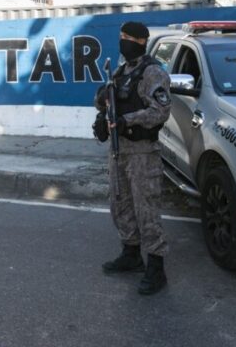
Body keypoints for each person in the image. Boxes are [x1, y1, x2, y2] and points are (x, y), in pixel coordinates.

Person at [94, 21, 172, 295]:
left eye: (127, 37)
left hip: (142, 153)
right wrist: (103, 114)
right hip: (119, 151)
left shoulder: (152, 73)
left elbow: (160, 111)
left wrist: (127, 120)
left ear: (140, 41)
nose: (123, 41)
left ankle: (156, 266)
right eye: (121, 37)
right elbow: (108, 101)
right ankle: (131, 254)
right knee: (120, 204)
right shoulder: (120, 71)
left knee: (146, 209)